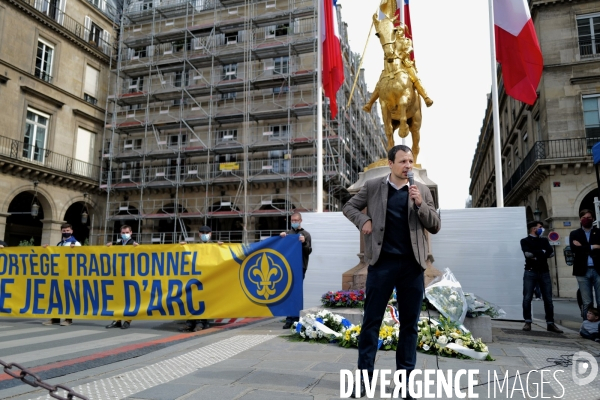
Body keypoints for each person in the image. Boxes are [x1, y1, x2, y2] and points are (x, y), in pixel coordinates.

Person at [342, 144, 440, 398]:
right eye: (403, 161)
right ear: (391, 164)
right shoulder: (374, 187)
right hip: (382, 264)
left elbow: (435, 225)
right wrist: (364, 221)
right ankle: (364, 380)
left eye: (410, 161)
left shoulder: (422, 190)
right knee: (371, 323)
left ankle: (404, 382)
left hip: (412, 266)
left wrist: (420, 204)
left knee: (409, 326)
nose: (408, 166)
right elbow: (349, 207)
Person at [363, 22, 433, 113]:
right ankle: (370, 103)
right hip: (391, 65)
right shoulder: (392, 42)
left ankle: (426, 97)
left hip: (405, 64)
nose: (399, 32)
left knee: (415, 78)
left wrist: (404, 54)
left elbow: (409, 48)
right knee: (380, 82)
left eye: (401, 30)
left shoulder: (406, 41)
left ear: (403, 32)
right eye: (397, 30)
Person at [520, 221, 563, 333]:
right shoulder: (525, 241)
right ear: (534, 229)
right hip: (530, 271)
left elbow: (551, 253)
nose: (542, 229)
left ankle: (550, 323)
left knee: (548, 299)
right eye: (540, 227)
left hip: (544, 271)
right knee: (527, 297)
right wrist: (543, 252)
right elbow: (528, 254)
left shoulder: (544, 240)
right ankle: (528, 322)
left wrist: (537, 254)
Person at [179, 225, 222, 332]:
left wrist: (222, 247)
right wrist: (181, 247)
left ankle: (202, 322)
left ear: (210, 234)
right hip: (196, 277)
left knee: (204, 300)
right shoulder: (195, 246)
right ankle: (190, 321)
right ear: (199, 234)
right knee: (193, 298)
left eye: (206, 233)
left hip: (208, 277)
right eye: (202, 233)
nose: (204, 235)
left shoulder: (215, 246)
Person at [42, 223, 81, 326]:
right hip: (59, 273)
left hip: (70, 274)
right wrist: (46, 249)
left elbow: (81, 258)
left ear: (71, 231)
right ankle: (55, 318)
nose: (66, 232)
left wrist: (75, 250)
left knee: (68, 296)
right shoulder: (60, 244)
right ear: (61, 232)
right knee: (56, 296)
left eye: (68, 231)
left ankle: (68, 319)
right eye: (64, 231)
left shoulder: (76, 244)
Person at [280, 212, 312, 329]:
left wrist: (304, 243)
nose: (294, 222)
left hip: (300, 267)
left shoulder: (306, 234)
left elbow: (308, 251)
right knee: (288, 293)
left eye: (296, 220)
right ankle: (289, 319)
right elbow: (282, 249)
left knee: (297, 293)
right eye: (292, 220)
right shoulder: (288, 234)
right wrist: (281, 239)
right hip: (289, 268)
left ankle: (296, 318)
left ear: (300, 220)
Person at [105, 225, 139, 330]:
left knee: (129, 298)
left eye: (126, 232)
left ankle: (128, 320)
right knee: (118, 298)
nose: (125, 234)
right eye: (123, 233)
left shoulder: (134, 244)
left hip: (129, 274)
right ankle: (117, 320)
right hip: (118, 274)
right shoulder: (118, 243)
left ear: (131, 233)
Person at [569, 209, 600, 320]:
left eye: (589, 217)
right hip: (582, 270)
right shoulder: (574, 233)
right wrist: (593, 247)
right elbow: (573, 249)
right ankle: (587, 324)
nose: (586, 220)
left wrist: (582, 247)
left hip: (597, 269)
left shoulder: (599, 232)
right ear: (580, 219)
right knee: (587, 301)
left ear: (593, 219)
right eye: (584, 218)